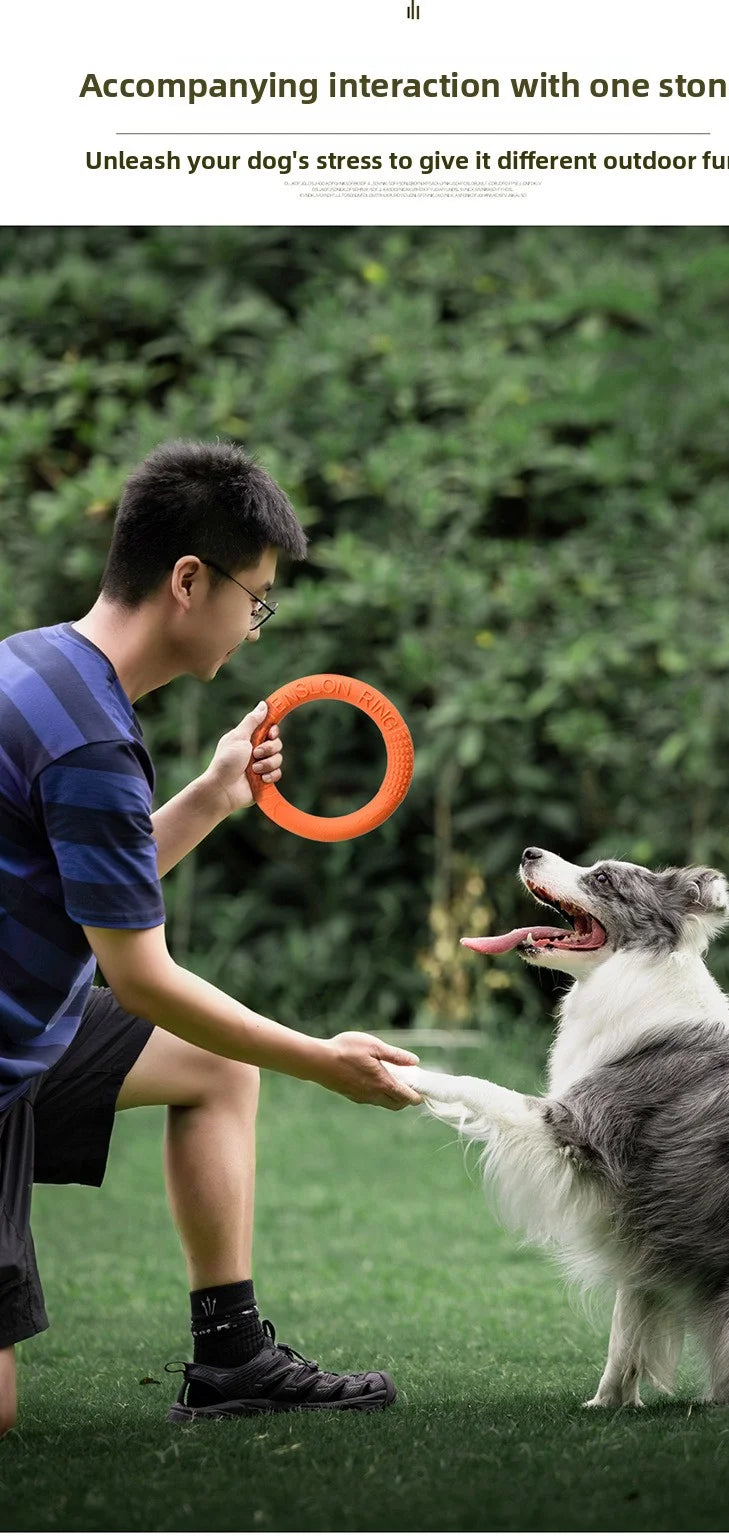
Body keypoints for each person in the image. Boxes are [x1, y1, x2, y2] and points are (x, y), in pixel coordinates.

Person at [0, 438, 421, 1434]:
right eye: (257, 596)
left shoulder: (36, 664)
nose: (258, 624)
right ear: (189, 581)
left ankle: (232, 1360)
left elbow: (86, 881)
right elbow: (140, 978)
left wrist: (209, 797)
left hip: (29, 1041)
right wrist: (322, 1060)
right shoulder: (94, 740)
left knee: (213, 1068)